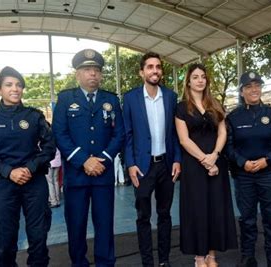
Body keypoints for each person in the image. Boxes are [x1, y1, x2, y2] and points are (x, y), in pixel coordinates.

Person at [0, 66, 55, 267]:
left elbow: (49, 147)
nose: (15, 89)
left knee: (38, 236)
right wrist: (8, 171)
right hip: (3, 185)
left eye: (19, 85)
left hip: (34, 183)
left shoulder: (34, 116)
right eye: (9, 85)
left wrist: (29, 168)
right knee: (4, 239)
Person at [52, 49, 124, 267]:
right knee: (76, 225)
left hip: (102, 174)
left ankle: (105, 263)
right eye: (87, 70)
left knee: (104, 225)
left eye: (96, 70)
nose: (92, 74)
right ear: (77, 74)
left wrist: (102, 158)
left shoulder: (110, 99)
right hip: (76, 175)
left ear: (101, 75)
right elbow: (59, 133)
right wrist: (84, 160)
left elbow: (119, 133)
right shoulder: (65, 99)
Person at [176, 63, 238, 267]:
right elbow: (184, 140)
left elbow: (223, 132)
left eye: (203, 76)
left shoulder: (215, 104)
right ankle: (199, 257)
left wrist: (215, 156)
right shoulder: (181, 107)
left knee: (214, 208)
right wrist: (205, 159)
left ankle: (212, 255)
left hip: (216, 164)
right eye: (195, 77)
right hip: (194, 166)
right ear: (188, 81)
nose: (200, 80)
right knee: (197, 209)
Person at [123, 52, 181, 267]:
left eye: (157, 66)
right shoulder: (130, 99)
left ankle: (164, 261)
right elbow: (127, 134)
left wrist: (177, 159)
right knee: (143, 217)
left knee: (165, 215)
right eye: (150, 67)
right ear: (142, 72)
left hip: (166, 165)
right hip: (142, 168)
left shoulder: (170, 96)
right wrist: (130, 164)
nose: (154, 70)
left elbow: (175, 133)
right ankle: (148, 262)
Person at [227, 71, 271, 267]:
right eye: (249, 87)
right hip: (244, 176)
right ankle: (248, 256)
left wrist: (267, 160)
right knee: (247, 219)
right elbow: (228, 146)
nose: (254, 90)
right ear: (242, 91)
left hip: (269, 174)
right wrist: (242, 162)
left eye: (257, 86)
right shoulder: (233, 117)